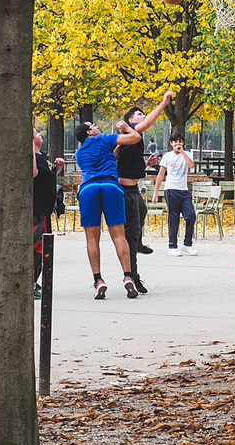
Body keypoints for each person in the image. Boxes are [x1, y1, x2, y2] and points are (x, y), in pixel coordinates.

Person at [74, 118, 142, 299]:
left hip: (89, 189)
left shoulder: (79, 153)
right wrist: (126, 129)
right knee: (119, 235)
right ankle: (128, 277)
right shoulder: (104, 138)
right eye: (93, 126)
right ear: (89, 132)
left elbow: (105, 158)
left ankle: (98, 281)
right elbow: (135, 138)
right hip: (112, 187)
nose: (97, 127)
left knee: (92, 238)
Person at [116, 92, 173, 294]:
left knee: (142, 212)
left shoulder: (132, 138)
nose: (143, 115)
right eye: (140, 114)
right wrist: (164, 103)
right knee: (129, 237)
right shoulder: (131, 131)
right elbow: (148, 123)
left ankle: (137, 243)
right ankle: (133, 276)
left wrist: (145, 164)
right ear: (131, 120)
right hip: (123, 191)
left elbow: (127, 161)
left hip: (132, 189)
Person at [32, 128, 65, 299]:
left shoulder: (42, 155)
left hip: (45, 208)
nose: (40, 135)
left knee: (44, 247)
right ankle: (30, 283)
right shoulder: (33, 157)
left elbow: (49, 177)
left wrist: (57, 167)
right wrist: (29, 146)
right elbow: (34, 173)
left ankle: (33, 282)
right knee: (39, 247)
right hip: (36, 208)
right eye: (37, 133)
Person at [153, 133, 198, 256]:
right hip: (171, 189)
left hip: (184, 190)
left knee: (191, 216)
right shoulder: (167, 156)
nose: (177, 144)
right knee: (174, 218)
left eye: (180, 141)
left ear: (183, 143)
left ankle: (187, 244)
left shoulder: (187, 154)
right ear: (171, 143)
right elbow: (161, 174)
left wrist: (182, 152)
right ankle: (172, 246)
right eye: (175, 142)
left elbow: (191, 166)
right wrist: (155, 192)